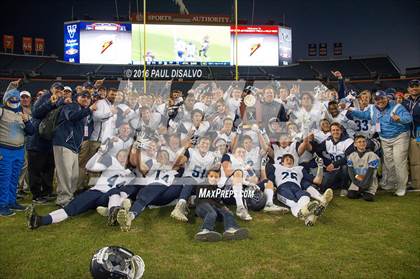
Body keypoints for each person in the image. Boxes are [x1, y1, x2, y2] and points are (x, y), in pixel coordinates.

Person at [25, 143, 135, 229]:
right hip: (95, 192)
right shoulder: (112, 164)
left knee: (114, 191)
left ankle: (113, 214)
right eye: (120, 155)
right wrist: (99, 153)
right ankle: (40, 220)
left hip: (108, 198)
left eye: (125, 156)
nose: (122, 158)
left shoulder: (130, 175)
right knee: (71, 208)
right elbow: (89, 166)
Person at [348, 90, 413, 196]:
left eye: (382, 98)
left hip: (399, 137)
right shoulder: (373, 109)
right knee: (388, 163)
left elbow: (409, 118)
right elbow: (364, 115)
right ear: (374, 100)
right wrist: (349, 109)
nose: (380, 101)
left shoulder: (397, 107)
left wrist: (399, 119)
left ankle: (401, 187)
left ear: (387, 98)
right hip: (384, 138)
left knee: (399, 162)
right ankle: (391, 184)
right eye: (377, 99)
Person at [53, 91, 97, 207]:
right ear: (77, 97)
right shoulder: (71, 106)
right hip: (64, 143)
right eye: (83, 96)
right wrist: (89, 110)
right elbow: (71, 116)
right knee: (65, 174)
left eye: (88, 98)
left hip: (73, 146)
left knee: (74, 175)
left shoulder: (82, 110)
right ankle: (63, 199)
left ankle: (69, 196)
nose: (86, 99)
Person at [268, 154, 333, 226]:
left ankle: (308, 217)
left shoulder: (299, 169)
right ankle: (306, 215)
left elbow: (317, 181)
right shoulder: (276, 167)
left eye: (291, 159)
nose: (289, 160)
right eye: (287, 159)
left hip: (296, 187)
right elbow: (270, 179)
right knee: (293, 203)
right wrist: (272, 188)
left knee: (305, 196)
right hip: (283, 187)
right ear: (282, 162)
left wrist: (320, 166)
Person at [27, 82, 64, 204]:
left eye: (61, 89)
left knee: (48, 168)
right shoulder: (45, 96)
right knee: (36, 170)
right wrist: (50, 102)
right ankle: (37, 195)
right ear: (52, 89)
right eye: (57, 89)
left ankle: (47, 192)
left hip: (48, 141)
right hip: (37, 141)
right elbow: (36, 113)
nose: (59, 91)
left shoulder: (59, 101)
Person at [0, 89, 35, 216]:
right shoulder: (2, 111)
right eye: (12, 98)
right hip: (4, 150)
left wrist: (26, 121)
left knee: (14, 178)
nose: (14, 100)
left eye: (16, 98)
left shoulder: (22, 113)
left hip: (19, 150)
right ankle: (2, 205)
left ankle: (11, 201)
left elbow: (31, 132)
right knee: (4, 178)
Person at [195, 169, 249, 242]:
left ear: (219, 179)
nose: (213, 178)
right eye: (211, 176)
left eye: (216, 177)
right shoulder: (202, 185)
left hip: (213, 207)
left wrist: (223, 207)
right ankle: (205, 230)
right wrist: (219, 205)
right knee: (212, 213)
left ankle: (231, 230)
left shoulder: (217, 189)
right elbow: (204, 199)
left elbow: (218, 201)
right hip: (202, 206)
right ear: (207, 176)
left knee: (228, 213)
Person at [347, 135, 380, 201]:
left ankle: (362, 192)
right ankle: (361, 191)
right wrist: (358, 182)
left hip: (370, 181)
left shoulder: (372, 155)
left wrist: (364, 185)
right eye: (359, 142)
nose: (362, 143)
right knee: (351, 195)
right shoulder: (351, 156)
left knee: (368, 198)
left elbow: (370, 173)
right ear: (355, 144)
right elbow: (351, 173)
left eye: (364, 141)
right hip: (357, 180)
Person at [402, 80, 420, 189]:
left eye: (417, 86)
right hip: (411, 135)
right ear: (408, 89)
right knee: (414, 162)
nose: (414, 88)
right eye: (412, 86)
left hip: (418, 132)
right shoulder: (405, 103)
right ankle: (416, 184)